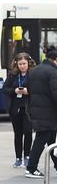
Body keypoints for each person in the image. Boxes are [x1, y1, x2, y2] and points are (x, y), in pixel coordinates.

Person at [24, 47, 57, 177]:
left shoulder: (34, 71)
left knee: (51, 141)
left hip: (37, 111)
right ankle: (31, 168)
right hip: (48, 113)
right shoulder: (53, 72)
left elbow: (30, 90)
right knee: (41, 140)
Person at [5, 52, 34, 168]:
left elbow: (38, 89)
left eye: (24, 63)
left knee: (28, 132)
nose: (22, 66)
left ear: (28, 64)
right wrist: (14, 90)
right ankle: (18, 158)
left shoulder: (33, 75)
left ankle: (27, 156)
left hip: (28, 108)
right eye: (20, 64)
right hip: (15, 108)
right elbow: (5, 89)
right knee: (18, 134)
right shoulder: (13, 75)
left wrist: (29, 91)